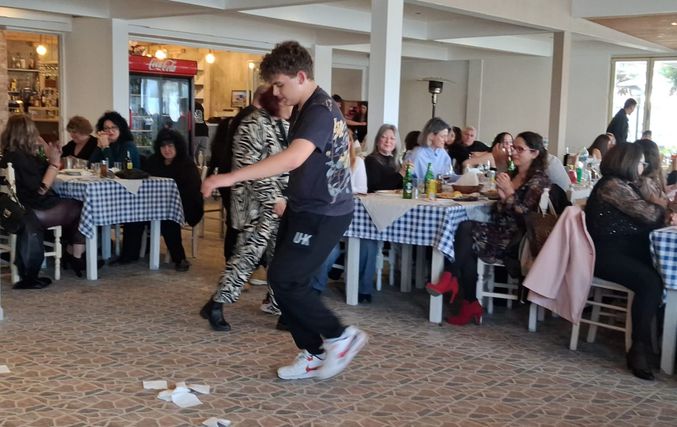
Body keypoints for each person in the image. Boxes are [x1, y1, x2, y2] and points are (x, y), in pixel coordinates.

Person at [202, 40, 367, 381]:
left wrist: (229, 177)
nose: (276, 92)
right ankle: (313, 353)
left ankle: (339, 336)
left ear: (301, 76)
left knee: (287, 280)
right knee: (283, 279)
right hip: (303, 206)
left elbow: (293, 158)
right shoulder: (304, 107)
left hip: (324, 213)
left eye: (280, 84)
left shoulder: (319, 110)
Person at [427, 131, 550, 325]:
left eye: (520, 149)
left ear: (534, 153)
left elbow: (525, 216)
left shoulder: (538, 180)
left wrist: (509, 193)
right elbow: (502, 209)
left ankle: (453, 280)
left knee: (466, 230)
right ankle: (466, 299)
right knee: (466, 237)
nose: (514, 152)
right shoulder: (514, 175)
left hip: (517, 240)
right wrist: (502, 197)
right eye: (513, 148)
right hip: (500, 229)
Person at [201, 86, 292, 331]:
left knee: (280, 258)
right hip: (255, 206)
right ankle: (217, 304)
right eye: (287, 101)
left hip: (278, 204)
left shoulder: (281, 124)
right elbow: (248, 169)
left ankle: (282, 308)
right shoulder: (252, 124)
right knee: (247, 256)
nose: (292, 105)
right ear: (275, 101)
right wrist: (275, 199)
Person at [584, 142, 669, 380]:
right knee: (650, 282)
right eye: (641, 162)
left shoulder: (624, 185)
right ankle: (638, 349)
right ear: (629, 162)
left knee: (661, 275)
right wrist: (664, 207)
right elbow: (649, 214)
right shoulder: (612, 186)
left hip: (624, 252)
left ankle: (661, 336)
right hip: (606, 256)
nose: (643, 166)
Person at [0, 114, 88, 283]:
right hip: (33, 210)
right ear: (28, 133)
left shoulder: (10, 156)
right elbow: (40, 190)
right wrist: (54, 164)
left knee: (70, 204)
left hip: (19, 208)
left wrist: (48, 154)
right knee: (80, 207)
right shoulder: (22, 158)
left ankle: (70, 253)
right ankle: (76, 257)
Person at [117, 129, 203, 271]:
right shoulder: (154, 161)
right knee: (133, 215)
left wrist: (168, 200)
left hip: (184, 205)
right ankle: (129, 255)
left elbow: (192, 191)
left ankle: (179, 258)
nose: (166, 150)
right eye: (163, 146)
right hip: (154, 205)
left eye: (170, 146)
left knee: (168, 219)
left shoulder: (186, 164)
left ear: (177, 146)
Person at [208, 85, 266, 261]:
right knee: (239, 224)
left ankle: (238, 264)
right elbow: (248, 155)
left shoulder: (244, 115)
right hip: (239, 179)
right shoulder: (252, 118)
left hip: (233, 176)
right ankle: (235, 264)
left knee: (239, 224)